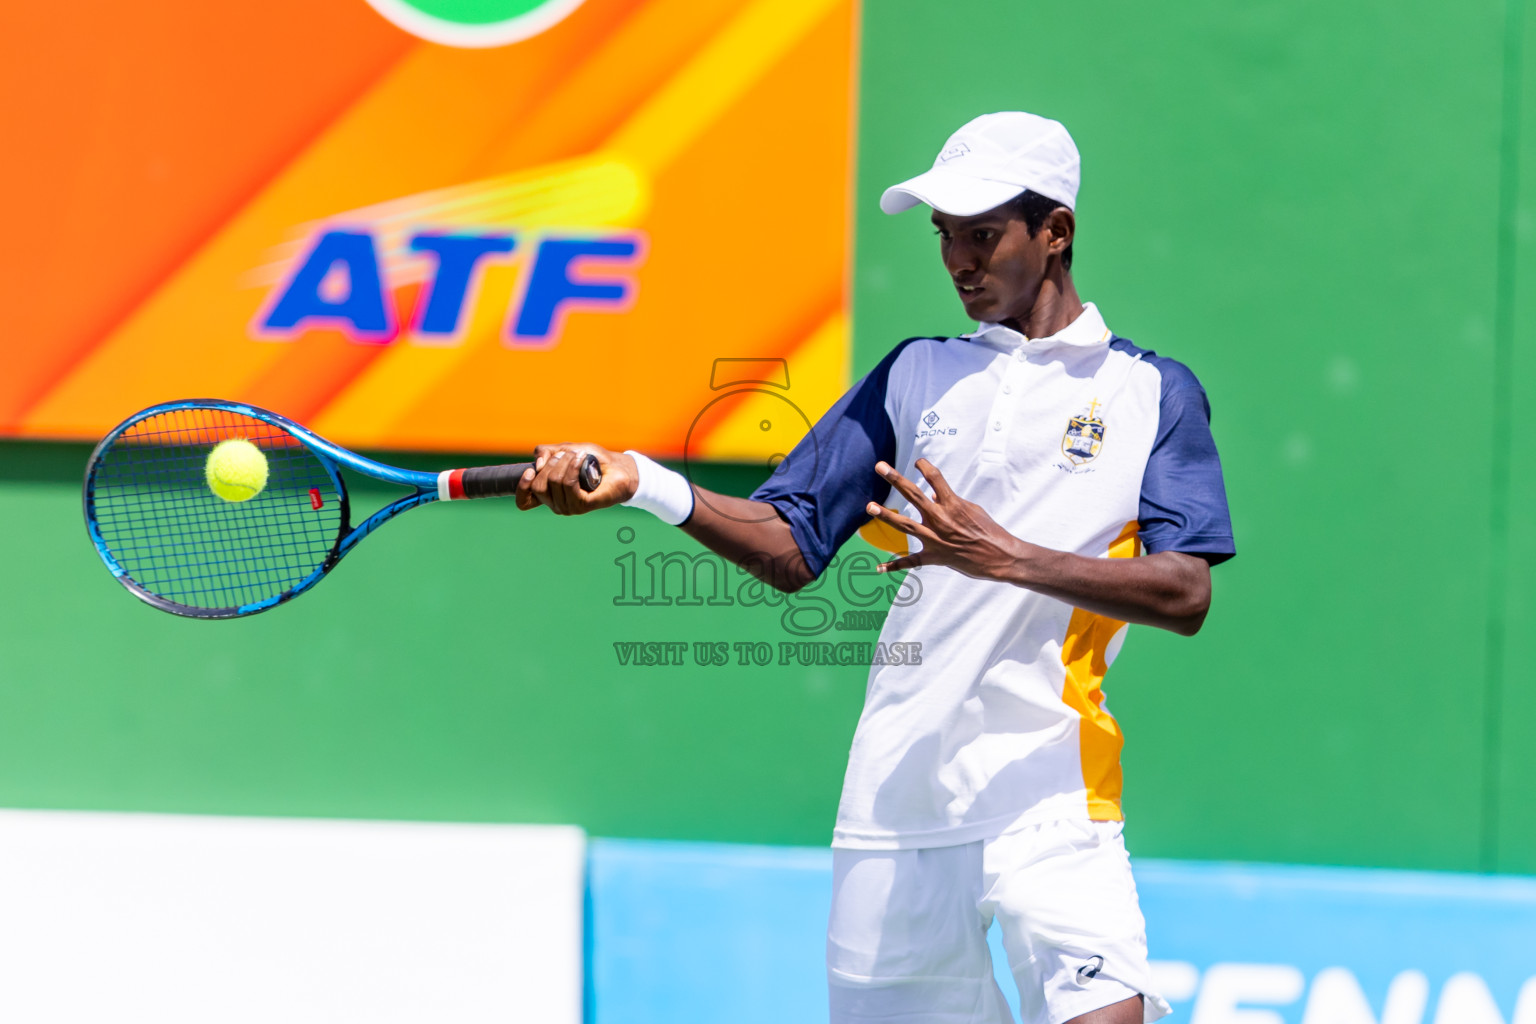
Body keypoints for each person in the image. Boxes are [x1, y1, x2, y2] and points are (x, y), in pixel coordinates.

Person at [515, 111, 1234, 1024]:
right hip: (891, 812)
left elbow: (1186, 591)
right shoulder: (913, 374)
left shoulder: (1151, 393)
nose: (959, 261)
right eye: (945, 237)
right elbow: (787, 545)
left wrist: (1005, 556)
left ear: (1055, 233)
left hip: (1050, 799)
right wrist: (644, 482)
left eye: (984, 234)